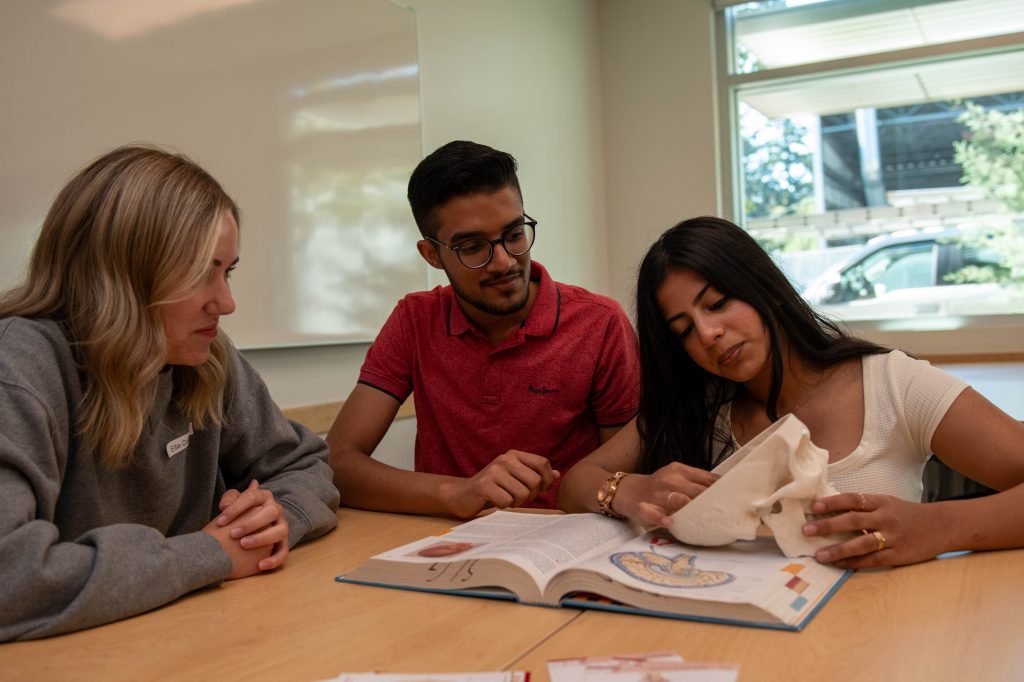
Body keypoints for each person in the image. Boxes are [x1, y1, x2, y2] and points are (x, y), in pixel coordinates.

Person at [0, 145, 340, 641]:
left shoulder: (206, 357)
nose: (226, 301)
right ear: (121, 274)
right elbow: (11, 577)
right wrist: (210, 556)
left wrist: (269, 523)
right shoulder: (20, 365)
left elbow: (306, 466)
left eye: (229, 270)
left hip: (181, 632)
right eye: (203, 270)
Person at [558, 216, 1024, 569]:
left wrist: (938, 528)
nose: (708, 334)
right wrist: (622, 489)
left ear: (767, 290)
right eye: (683, 331)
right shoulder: (698, 409)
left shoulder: (892, 384)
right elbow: (576, 482)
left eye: (718, 304)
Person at [327, 141, 639, 517]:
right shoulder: (415, 319)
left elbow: (626, 473)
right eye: (472, 247)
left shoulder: (600, 324)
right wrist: (457, 493)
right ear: (432, 255)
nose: (504, 262)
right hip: (446, 542)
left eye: (514, 234)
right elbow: (337, 463)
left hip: (563, 540)